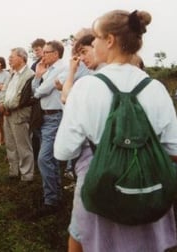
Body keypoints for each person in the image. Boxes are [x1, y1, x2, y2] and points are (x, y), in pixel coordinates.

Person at [54, 10, 177, 252]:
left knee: (83, 242)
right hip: (147, 188)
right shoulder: (156, 88)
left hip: (99, 186)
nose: (94, 43)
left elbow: (63, 151)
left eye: (96, 38)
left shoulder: (86, 87)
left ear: (109, 40)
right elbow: (173, 148)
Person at [31, 40, 68, 217]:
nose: (42, 55)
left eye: (46, 52)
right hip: (45, 116)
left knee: (44, 158)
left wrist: (39, 83)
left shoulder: (62, 68)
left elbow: (41, 91)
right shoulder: (49, 70)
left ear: (56, 53)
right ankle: (54, 196)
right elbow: (35, 89)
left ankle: (52, 199)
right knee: (50, 159)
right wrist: (38, 77)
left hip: (55, 116)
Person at [0, 47, 35, 182]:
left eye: (12, 57)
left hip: (19, 114)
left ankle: (27, 175)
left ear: (21, 58)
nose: (9, 59)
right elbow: (4, 90)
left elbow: (21, 97)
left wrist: (6, 106)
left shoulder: (30, 75)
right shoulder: (12, 74)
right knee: (10, 144)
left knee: (23, 145)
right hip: (8, 114)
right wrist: (1, 103)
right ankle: (14, 171)